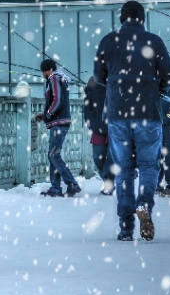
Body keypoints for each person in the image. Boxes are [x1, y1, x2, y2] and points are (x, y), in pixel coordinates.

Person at [94, 0, 170, 242]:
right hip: (148, 113)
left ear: (122, 18)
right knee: (149, 166)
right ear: (142, 19)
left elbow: (98, 76)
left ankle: (125, 227)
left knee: (124, 171)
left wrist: (117, 84)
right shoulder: (154, 41)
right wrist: (153, 86)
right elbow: (169, 77)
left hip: (118, 114)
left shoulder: (108, 41)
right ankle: (144, 204)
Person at [35, 58, 81, 198]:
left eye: (44, 71)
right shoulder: (60, 79)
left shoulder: (54, 78)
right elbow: (58, 101)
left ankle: (72, 184)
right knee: (53, 155)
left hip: (58, 123)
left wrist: (48, 114)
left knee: (53, 155)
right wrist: (45, 115)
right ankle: (55, 188)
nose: (43, 74)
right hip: (60, 121)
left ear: (49, 70)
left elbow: (57, 99)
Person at [83, 76, 116, 194]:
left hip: (115, 127)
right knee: (97, 158)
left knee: (111, 158)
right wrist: (90, 123)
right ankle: (109, 182)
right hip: (97, 127)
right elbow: (87, 105)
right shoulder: (92, 81)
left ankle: (109, 184)